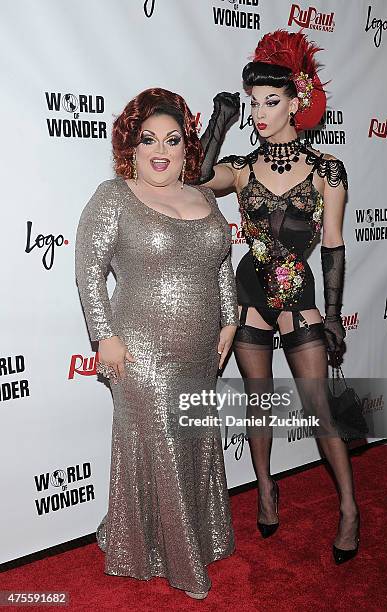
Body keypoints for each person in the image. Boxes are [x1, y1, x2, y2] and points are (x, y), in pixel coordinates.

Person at [199, 30, 360, 564]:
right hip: (248, 296)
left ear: (297, 102)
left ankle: (350, 509)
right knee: (259, 404)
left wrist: (333, 315)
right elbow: (197, 178)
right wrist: (219, 126)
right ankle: (266, 489)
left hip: (298, 297)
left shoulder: (327, 171)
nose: (260, 112)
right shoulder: (242, 167)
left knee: (320, 411)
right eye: (254, 104)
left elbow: (332, 246)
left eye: (272, 101)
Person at [75, 87, 239, 599]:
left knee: (192, 443)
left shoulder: (205, 197)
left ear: (187, 147)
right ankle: (183, 566)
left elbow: (220, 267)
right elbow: (89, 273)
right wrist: (105, 336)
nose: (160, 150)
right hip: (141, 351)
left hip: (200, 350)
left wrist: (230, 322)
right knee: (164, 444)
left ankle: (156, 537)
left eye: (172, 139)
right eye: (149, 140)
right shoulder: (114, 196)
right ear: (132, 146)